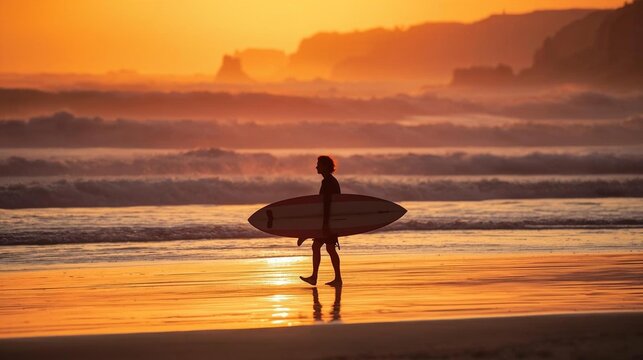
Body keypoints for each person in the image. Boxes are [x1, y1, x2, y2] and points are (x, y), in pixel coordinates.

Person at [298, 155, 343, 286]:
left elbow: (327, 204)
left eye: (319, 164)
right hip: (331, 220)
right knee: (328, 248)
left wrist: (325, 224)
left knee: (319, 247)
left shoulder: (328, 182)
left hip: (329, 221)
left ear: (325, 166)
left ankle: (316, 277)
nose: (316, 166)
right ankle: (336, 279)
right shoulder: (331, 180)